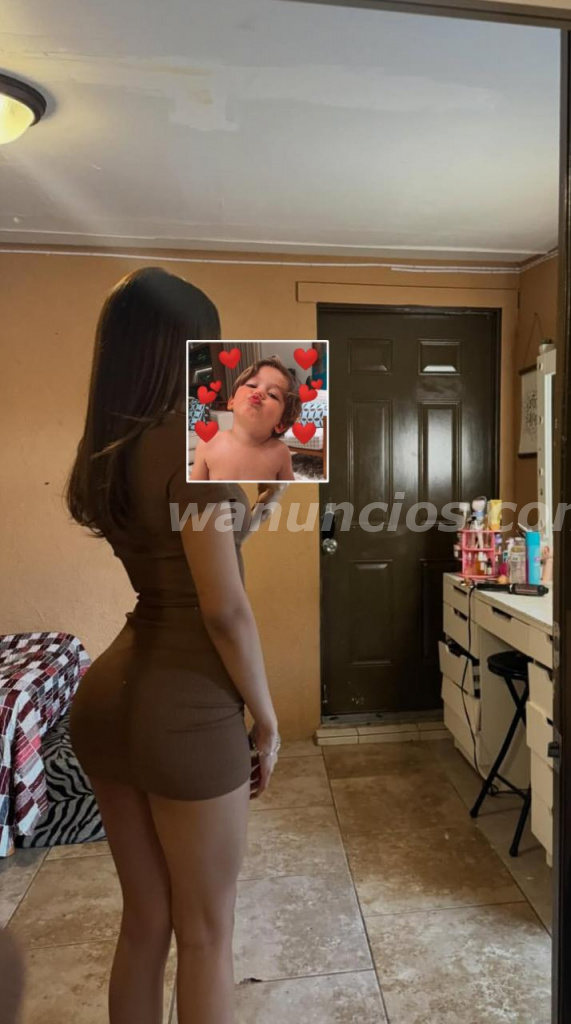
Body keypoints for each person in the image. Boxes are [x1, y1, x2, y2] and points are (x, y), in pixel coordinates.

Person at [65, 267, 283, 1024]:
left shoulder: (111, 447)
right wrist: (266, 717)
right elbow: (224, 611)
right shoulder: (195, 449)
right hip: (185, 708)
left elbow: (179, 565)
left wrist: (252, 511)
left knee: (146, 920)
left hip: (110, 694)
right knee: (207, 932)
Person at [191, 357, 299, 482]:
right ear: (232, 401)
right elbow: (195, 489)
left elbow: (288, 489)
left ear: (281, 424)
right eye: (252, 385)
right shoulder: (207, 444)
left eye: (272, 395)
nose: (259, 391)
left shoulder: (280, 453)